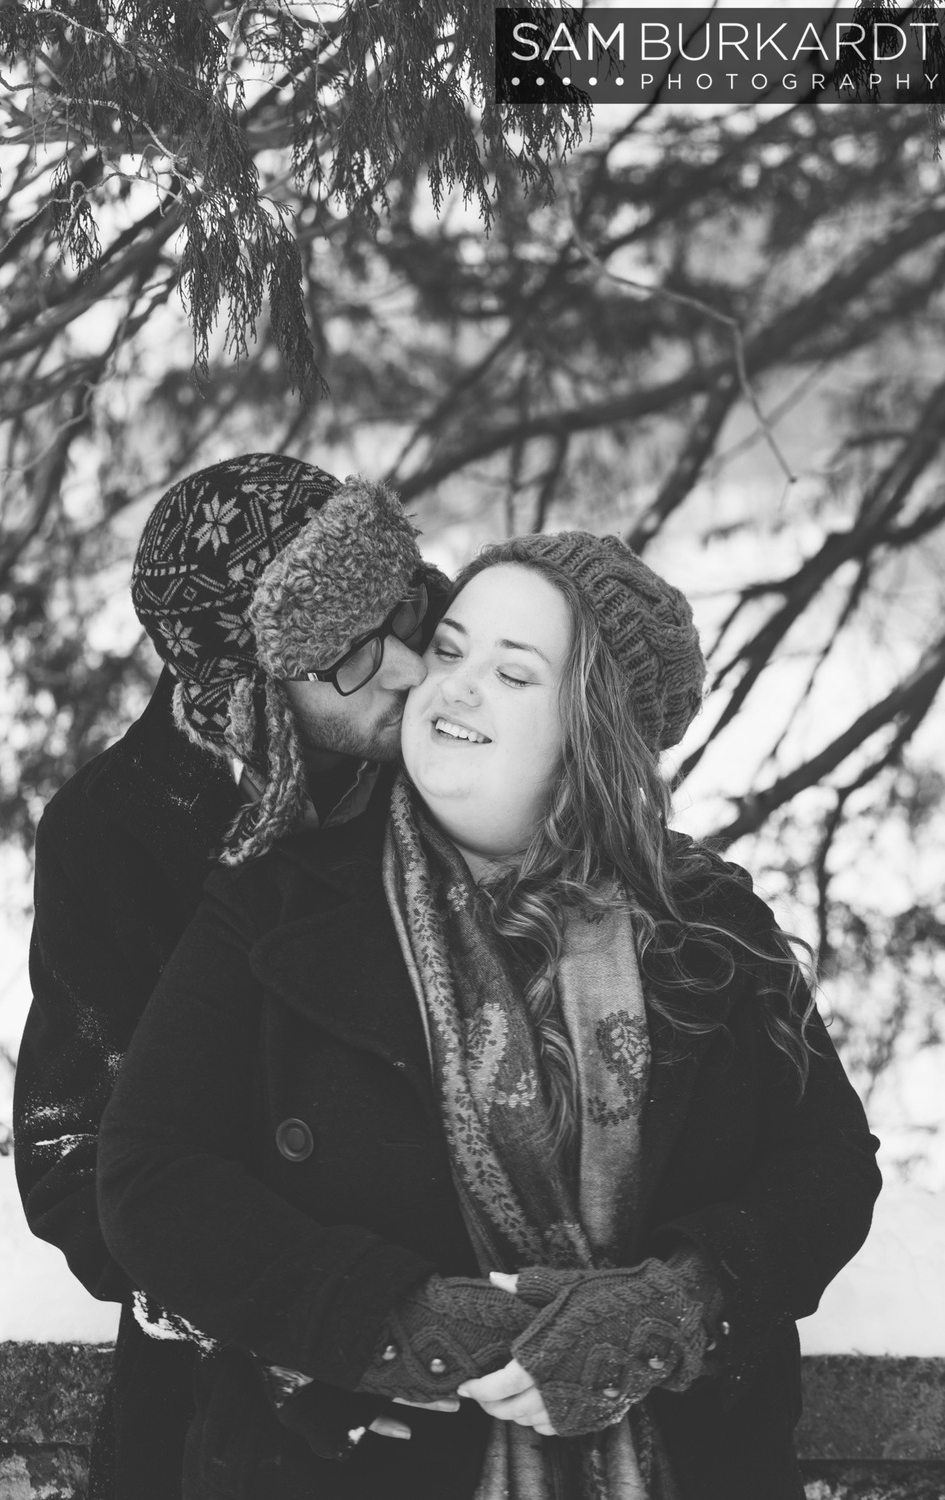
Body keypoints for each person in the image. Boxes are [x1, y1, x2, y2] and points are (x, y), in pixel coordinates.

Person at [96, 531, 881, 1500]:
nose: (453, 686)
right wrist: (389, 1322)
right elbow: (149, 1174)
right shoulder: (272, 907)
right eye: (452, 648)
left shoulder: (710, 925)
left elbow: (828, 1165)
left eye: (512, 674)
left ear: (593, 728)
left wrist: (677, 1308)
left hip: (685, 1466)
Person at [13, 452, 448, 1499]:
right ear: (249, 685)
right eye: (345, 655)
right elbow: (74, 1151)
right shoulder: (115, 830)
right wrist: (282, 1315)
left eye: (406, 613)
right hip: (241, 1399)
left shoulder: (452, 761)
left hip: (471, 1356)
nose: (402, 667)